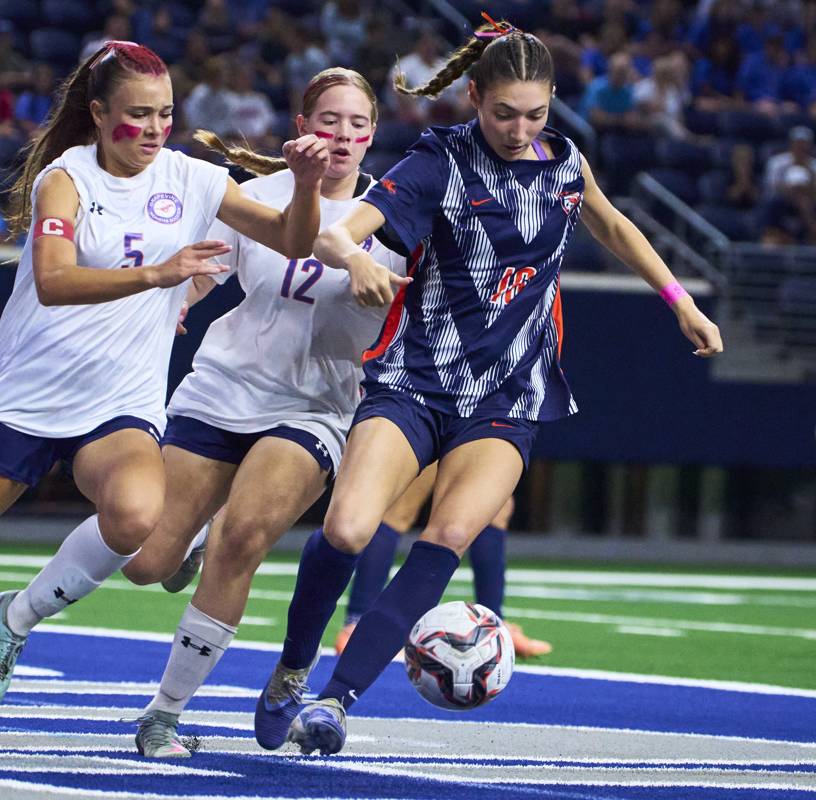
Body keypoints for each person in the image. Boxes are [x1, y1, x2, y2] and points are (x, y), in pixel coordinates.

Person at [0, 40, 328, 746]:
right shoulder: (66, 180)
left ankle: (16, 618)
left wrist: (308, 185)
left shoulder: (194, 179)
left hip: (119, 405)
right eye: (138, 114)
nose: (155, 128)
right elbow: (54, 279)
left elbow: (294, 240)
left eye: (165, 113)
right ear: (100, 114)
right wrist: (159, 274)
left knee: (136, 518)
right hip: (27, 399)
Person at [254, 15, 723, 757]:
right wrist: (356, 258)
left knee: (448, 534)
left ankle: (335, 703)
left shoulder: (566, 161)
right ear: (473, 96)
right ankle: (290, 667)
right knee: (346, 530)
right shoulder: (439, 158)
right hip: (414, 384)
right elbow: (341, 228)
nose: (519, 126)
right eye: (504, 111)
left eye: (535, 112)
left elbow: (612, 224)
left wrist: (682, 303)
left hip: (509, 399)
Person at [117, 67, 408, 759]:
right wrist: (170, 307)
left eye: (357, 125)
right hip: (223, 384)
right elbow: (199, 272)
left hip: (315, 402)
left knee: (241, 538)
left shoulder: (393, 215)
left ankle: (163, 714)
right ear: (303, 127)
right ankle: (186, 542)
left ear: (372, 136)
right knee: (142, 559)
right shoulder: (257, 197)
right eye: (329, 121)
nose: (342, 136)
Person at [333, 463, 551, 658]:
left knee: (495, 508)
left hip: (476, 420)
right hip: (445, 418)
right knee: (400, 507)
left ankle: (492, 628)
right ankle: (358, 626)